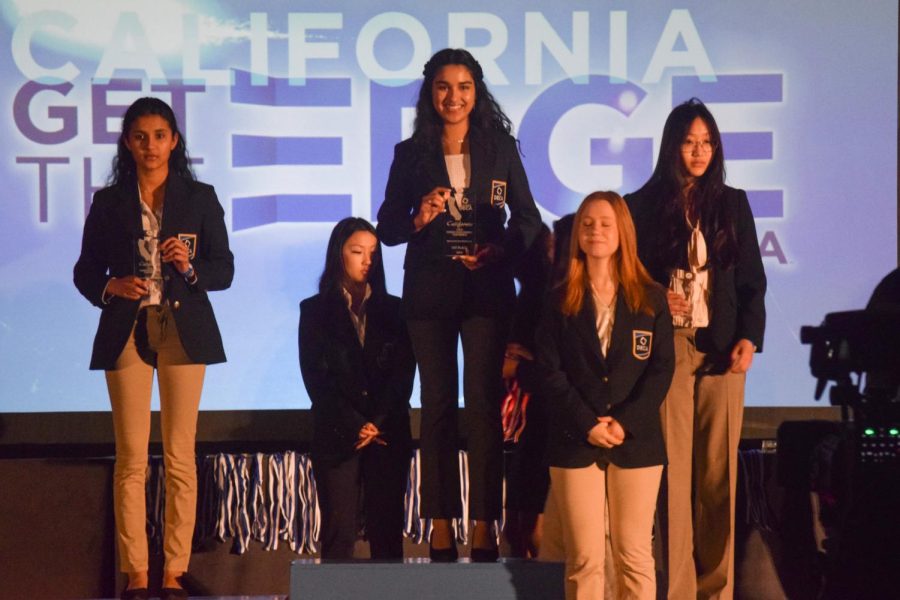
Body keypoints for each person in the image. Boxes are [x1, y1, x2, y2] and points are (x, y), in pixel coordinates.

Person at [376, 48, 542, 561]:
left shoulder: (501, 148)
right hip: (429, 296)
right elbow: (386, 227)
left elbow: (530, 222)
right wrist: (420, 218)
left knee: (483, 412)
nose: (454, 97)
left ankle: (485, 525)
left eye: (464, 86)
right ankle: (442, 524)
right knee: (439, 409)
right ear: (431, 93)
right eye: (444, 87)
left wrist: (500, 250)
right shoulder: (411, 153)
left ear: (477, 91)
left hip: (487, 295)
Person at [73, 97, 233, 600]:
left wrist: (189, 268)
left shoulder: (200, 197)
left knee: (180, 454)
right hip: (128, 328)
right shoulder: (109, 202)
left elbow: (224, 270)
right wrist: (109, 287)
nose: (150, 146)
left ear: (175, 141)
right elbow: (84, 272)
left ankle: (174, 572)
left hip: (183, 328)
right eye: (140, 137)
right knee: (131, 457)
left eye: (160, 135)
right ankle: (138, 573)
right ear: (127, 143)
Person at [626, 98, 767, 600]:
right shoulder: (639, 206)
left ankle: (718, 591)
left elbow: (753, 280)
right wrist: (652, 293)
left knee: (718, 479)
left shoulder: (732, 202)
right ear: (671, 146)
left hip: (724, 349)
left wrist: (750, 337)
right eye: (689, 141)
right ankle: (678, 591)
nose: (699, 150)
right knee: (673, 478)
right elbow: (625, 280)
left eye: (707, 142)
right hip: (670, 350)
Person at [536, 191, 674, 600]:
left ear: (622, 233)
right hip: (575, 442)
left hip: (637, 442)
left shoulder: (651, 299)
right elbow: (549, 372)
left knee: (634, 555)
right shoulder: (558, 300)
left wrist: (624, 421)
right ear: (577, 233)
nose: (596, 230)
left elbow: (661, 369)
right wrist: (587, 424)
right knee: (585, 560)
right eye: (588, 223)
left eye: (605, 223)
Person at [298, 217, 415, 560]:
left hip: (387, 432)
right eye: (357, 251)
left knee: (387, 534)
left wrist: (377, 421)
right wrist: (355, 424)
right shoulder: (315, 310)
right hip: (337, 433)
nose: (367, 260)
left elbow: (403, 375)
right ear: (339, 254)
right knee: (338, 534)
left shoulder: (396, 310)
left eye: (373, 253)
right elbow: (316, 379)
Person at [502, 223, 553, 558]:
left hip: (540, 411)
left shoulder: (540, 296)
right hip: (527, 413)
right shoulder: (527, 297)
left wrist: (520, 365)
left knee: (529, 523)